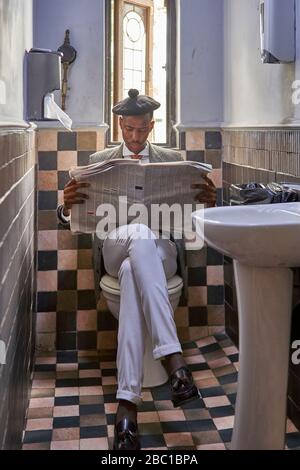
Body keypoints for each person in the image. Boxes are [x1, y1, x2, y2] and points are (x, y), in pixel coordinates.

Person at [57, 89, 216, 450]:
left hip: (162, 252)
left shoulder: (171, 159)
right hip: (114, 245)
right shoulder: (101, 160)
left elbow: (194, 222)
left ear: (152, 125)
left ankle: (126, 407)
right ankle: (174, 360)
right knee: (135, 239)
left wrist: (208, 203)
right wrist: (67, 207)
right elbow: (73, 218)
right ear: (120, 125)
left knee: (133, 270)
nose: (134, 137)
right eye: (129, 129)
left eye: (142, 129)